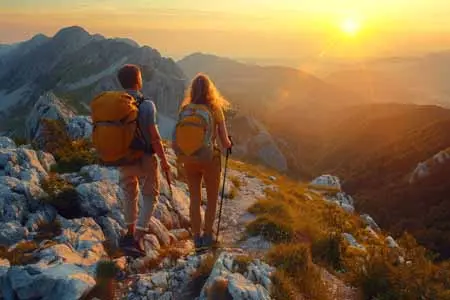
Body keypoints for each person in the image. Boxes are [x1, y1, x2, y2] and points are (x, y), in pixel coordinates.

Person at [117, 64, 171, 254]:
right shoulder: (147, 105)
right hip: (146, 157)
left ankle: (128, 232)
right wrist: (164, 160)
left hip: (123, 158)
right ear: (138, 80)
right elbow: (154, 137)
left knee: (129, 193)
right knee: (150, 194)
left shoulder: (117, 104)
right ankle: (137, 237)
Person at [177, 74, 233, 249]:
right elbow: (224, 141)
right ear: (210, 90)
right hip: (209, 159)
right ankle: (208, 235)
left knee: (194, 199)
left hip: (189, 159)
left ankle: (196, 238)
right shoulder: (215, 109)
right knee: (211, 199)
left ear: (192, 90)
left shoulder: (185, 109)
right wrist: (229, 143)